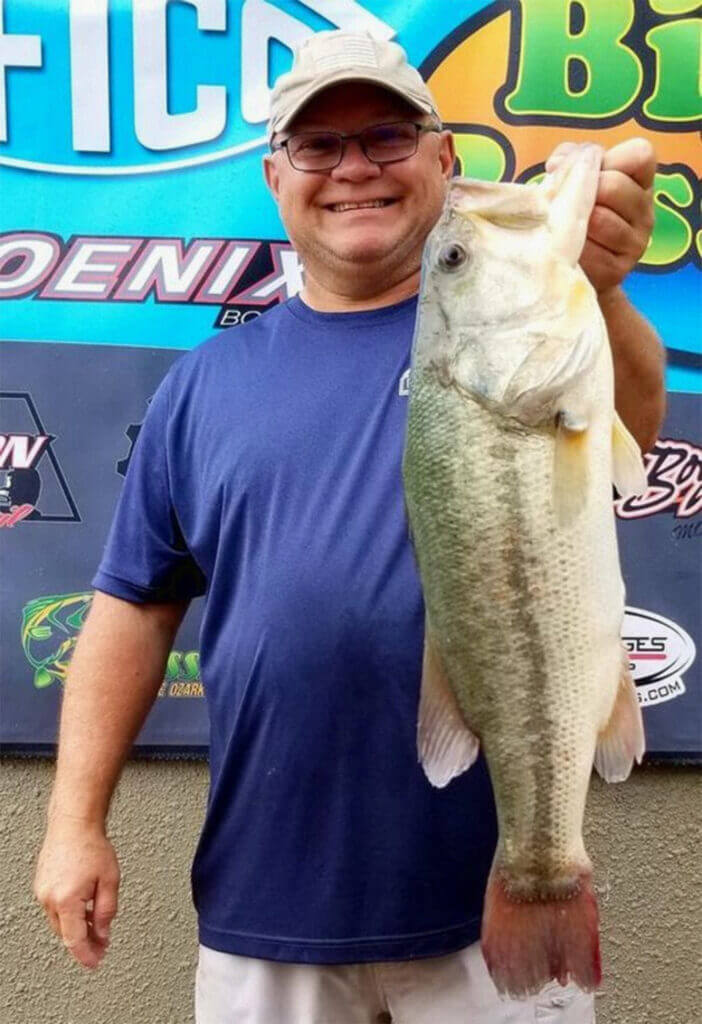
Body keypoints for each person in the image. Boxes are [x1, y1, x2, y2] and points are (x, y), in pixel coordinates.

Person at [34, 30, 665, 1024]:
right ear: (274, 174)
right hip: (264, 902)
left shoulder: (535, 327)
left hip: (479, 908)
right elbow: (131, 608)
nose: (354, 168)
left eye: (385, 135)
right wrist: (73, 821)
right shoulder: (204, 385)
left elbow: (626, 417)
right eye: (319, 146)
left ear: (444, 157)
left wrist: (610, 287)